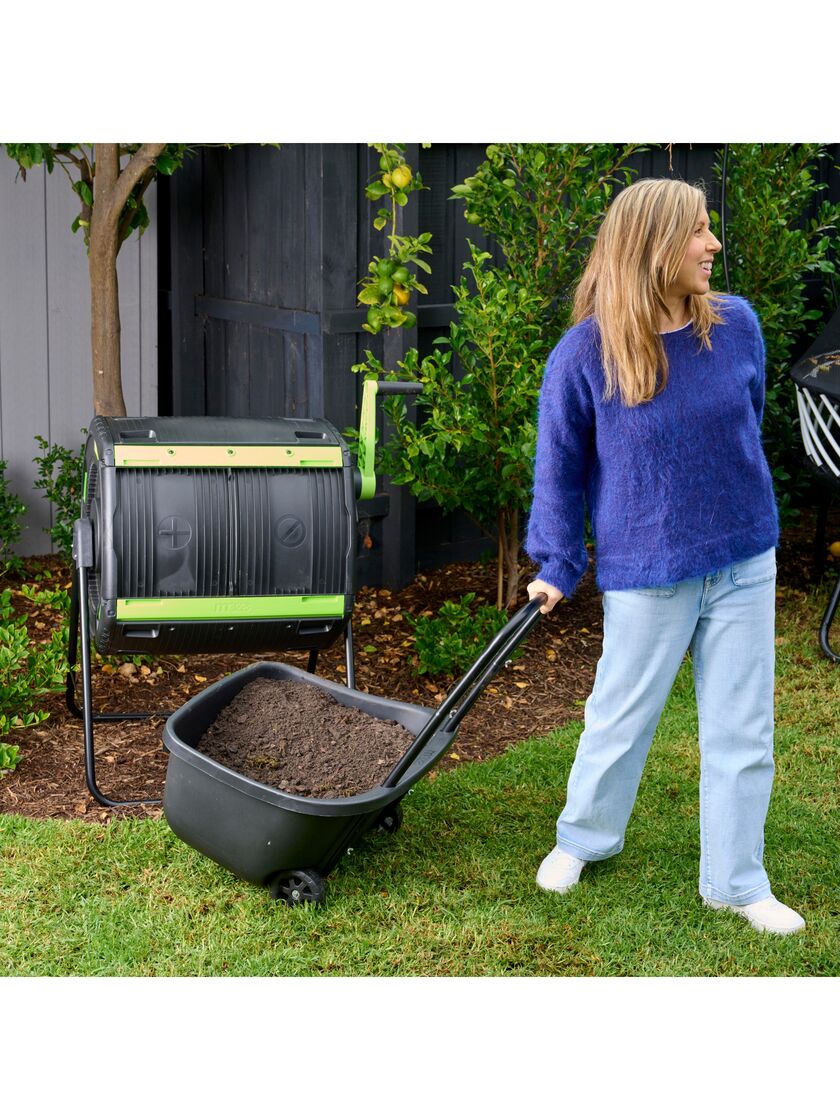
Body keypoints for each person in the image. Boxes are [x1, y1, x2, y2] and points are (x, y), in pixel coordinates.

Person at [525, 177, 805, 935]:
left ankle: (737, 882)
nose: (714, 245)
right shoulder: (586, 354)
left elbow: (744, 426)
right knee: (620, 716)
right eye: (699, 232)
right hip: (648, 572)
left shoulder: (737, 327)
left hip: (745, 556)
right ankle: (583, 838)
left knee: (744, 727)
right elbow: (561, 468)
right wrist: (556, 563)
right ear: (654, 246)